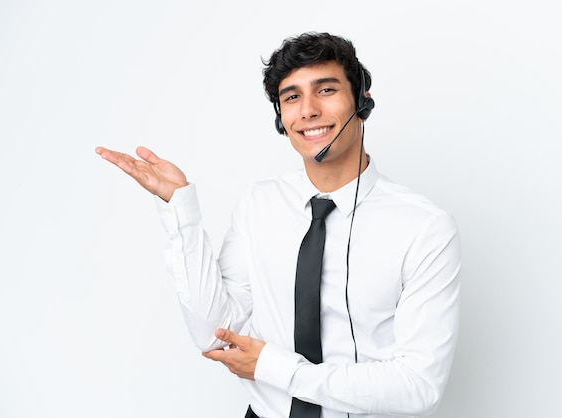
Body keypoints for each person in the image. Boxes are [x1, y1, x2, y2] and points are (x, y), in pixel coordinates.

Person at [96, 32, 461, 418]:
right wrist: (180, 211)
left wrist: (276, 369)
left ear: (363, 102)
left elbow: (419, 386)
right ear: (280, 119)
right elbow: (215, 333)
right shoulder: (259, 203)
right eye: (291, 97)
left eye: (325, 90)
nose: (307, 110)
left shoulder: (425, 228)